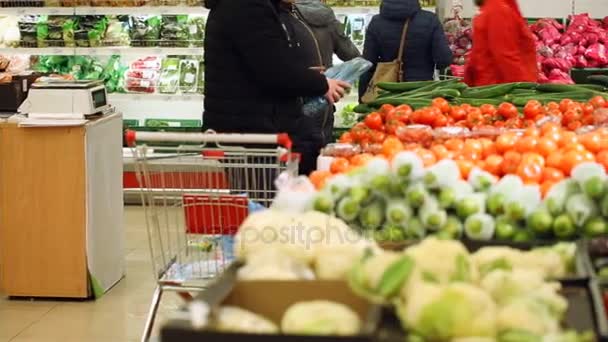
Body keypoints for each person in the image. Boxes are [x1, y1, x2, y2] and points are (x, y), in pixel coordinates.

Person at [203, 0, 350, 175]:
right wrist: (321, 84)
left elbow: (262, 62)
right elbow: (275, 70)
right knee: (267, 195)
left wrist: (303, 74)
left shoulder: (250, 7)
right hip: (254, 134)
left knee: (260, 195)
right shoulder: (248, 7)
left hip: (250, 128)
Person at [294, 0, 360, 147]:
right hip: (324, 96)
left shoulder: (285, 18)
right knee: (321, 150)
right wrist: (338, 76)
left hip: (293, 99)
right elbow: (353, 56)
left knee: (295, 154)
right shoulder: (328, 19)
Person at [359, 0, 452, 99]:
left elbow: (367, 65)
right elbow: (444, 60)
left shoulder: (376, 22)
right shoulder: (430, 19)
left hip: (387, 92)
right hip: (422, 92)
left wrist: (363, 97)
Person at [464, 0, 537, 86]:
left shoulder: (494, 7)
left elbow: (477, 53)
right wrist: (524, 88)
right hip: (500, 87)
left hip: (490, 84)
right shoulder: (498, 9)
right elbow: (505, 55)